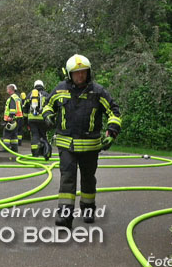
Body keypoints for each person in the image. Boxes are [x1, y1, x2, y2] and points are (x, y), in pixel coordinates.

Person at [43, 54, 121, 228]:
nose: (80, 76)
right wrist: (47, 116)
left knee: (88, 178)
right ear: (69, 74)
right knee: (67, 179)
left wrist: (111, 132)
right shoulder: (60, 89)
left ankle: (88, 209)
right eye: (76, 73)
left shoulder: (98, 92)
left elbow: (114, 112)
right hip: (66, 145)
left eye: (83, 72)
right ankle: (64, 216)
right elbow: (47, 105)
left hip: (90, 146)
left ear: (89, 72)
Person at [26, 80, 50, 157]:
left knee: (35, 135)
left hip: (32, 119)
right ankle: (45, 152)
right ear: (42, 86)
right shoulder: (46, 95)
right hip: (43, 118)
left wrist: (25, 120)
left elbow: (25, 107)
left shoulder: (30, 95)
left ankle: (35, 153)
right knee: (43, 135)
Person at [3, 84, 24, 153]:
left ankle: (6, 148)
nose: (6, 91)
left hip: (12, 118)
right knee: (14, 134)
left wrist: (10, 117)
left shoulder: (12, 98)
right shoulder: (17, 97)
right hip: (18, 118)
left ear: (10, 90)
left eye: (7, 89)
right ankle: (15, 148)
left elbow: (12, 109)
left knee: (7, 133)